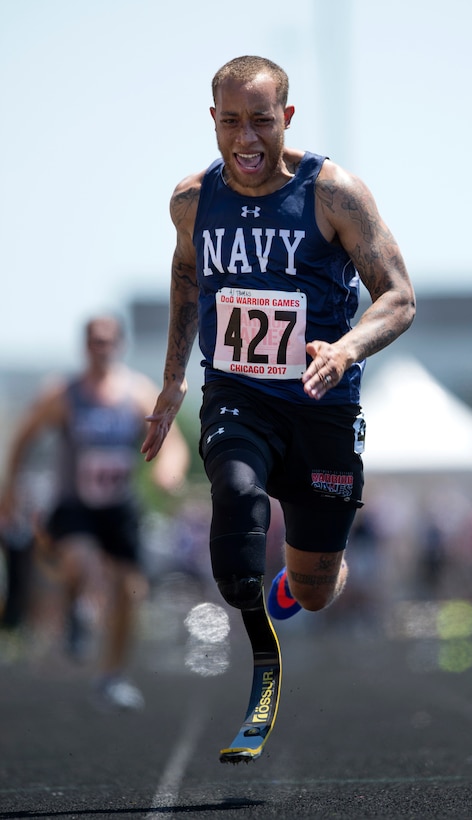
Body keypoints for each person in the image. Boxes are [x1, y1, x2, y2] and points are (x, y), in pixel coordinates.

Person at [141, 55, 415, 626]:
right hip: (238, 393)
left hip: (322, 404)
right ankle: (247, 613)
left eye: (261, 121)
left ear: (286, 116)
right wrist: (173, 379)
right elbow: (187, 273)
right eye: (231, 121)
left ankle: (301, 578)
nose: (246, 138)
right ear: (213, 119)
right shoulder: (191, 201)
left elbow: (398, 297)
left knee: (316, 590)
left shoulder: (334, 194)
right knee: (238, 491)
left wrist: (346, 349)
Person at [0, 315, 190, 708]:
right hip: (74, 505)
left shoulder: (136, 393)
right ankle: (80, 609)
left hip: (119, 508)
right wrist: (11, 488)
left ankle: (112, 676)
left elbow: (171, 441)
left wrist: (169, 472)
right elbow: (24, 437)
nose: (101, 348)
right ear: (85, 346)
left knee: (130, 590)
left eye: (108, 340)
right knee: (79, 559)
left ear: (119, 344)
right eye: (94, 341)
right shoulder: (63, 394)